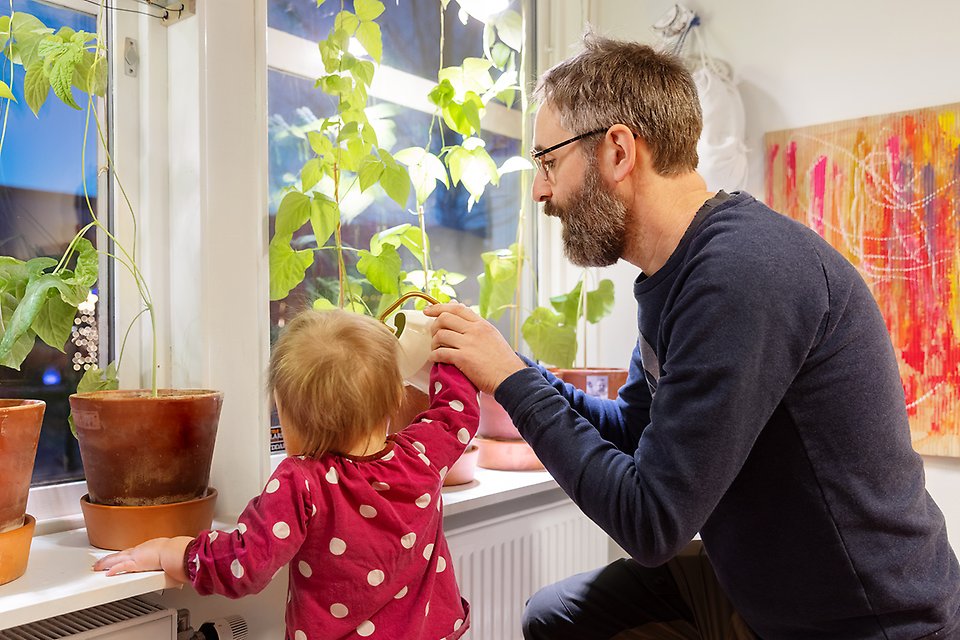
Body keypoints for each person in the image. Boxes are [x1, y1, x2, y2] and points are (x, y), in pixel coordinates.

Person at [425, 33, 960, 640]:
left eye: (549, 162)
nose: (540, 190)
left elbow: (652, 522)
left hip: (866, 620)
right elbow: (635, 433)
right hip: (760, 586)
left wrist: (517, 385)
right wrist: (514, 373)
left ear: (619, 151)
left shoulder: (741, 273)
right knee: (559, 617)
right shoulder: (672, 274)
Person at [94, 308, 479, 640]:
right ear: (396, 398)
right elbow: (458, 411)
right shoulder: (421, 457)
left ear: (287, 417)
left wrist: (173, 552)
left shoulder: (301, 482)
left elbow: (243, 565)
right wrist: (447, 347)